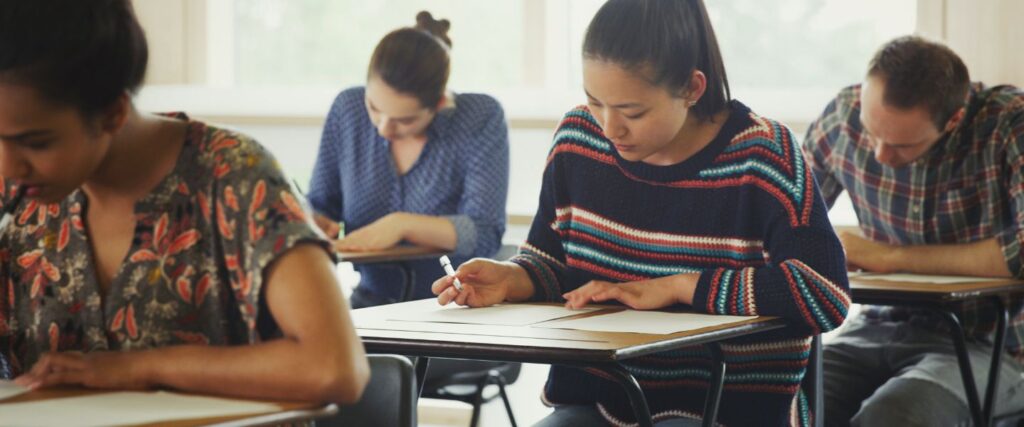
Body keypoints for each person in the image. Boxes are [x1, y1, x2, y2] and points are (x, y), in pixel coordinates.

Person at [432, 1, 850, 425]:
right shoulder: (578, 139)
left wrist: (678, 288)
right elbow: (554, 266)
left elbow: (823, 293)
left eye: (632, 111)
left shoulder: (763, 155)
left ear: (692, 88)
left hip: (722, 408)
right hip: (601, 399)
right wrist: (514, 279)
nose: (611, 127)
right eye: (595, 101)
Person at [0, 0, 369, 404]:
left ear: (112, 114)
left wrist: (138, 368)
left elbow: (334, 367)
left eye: (36, 142)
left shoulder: (233, 174)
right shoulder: (17, 193)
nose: (8, 164)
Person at [803, 35, 1024, 426]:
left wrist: (887, 257)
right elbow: (786, 221)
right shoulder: (843, 114)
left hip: (988, 341)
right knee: (787, 405)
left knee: (890, 417)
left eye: (901, 145)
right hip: (872, 326)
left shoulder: (1009, 123)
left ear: (953, 120)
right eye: (871, 132)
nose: (879, 155)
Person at [307, 11, 509, 308]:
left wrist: (401, 225)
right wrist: (315, 222)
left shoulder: (480, 118)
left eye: (405, 121)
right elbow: (321, 204)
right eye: (374, 107)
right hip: (370, 303)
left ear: (439, 104)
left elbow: (484, 232)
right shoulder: (347, 109)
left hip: (456, 306)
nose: (384, 128)